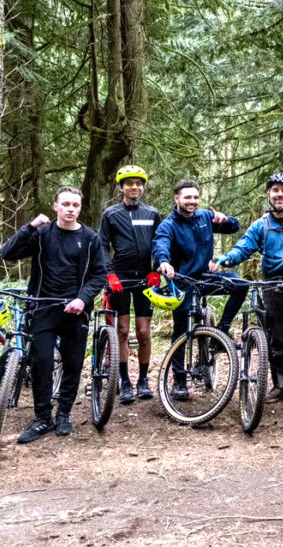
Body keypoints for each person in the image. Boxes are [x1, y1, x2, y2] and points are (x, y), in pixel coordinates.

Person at [0, 187, 108, 443]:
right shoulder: (42, 234)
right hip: (43, 308)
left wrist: (82, 299)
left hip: (75, 311)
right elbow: (7, 253)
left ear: (80, 208)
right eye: (66, 204)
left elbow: (99, 274)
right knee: (42, 363)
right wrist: (29, 226)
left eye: (75, 205)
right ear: (55, 206)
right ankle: (42, 418)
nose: (71, 209)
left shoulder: (90, 238)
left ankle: (64, 414)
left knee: (72, 363)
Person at [217, 173, 283, 414]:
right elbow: (244, 246)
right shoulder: (262, 224)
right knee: (278, 338)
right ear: (269, 194)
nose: (280, 194)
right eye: (275, 190)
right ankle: (282, 385)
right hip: (273, 285)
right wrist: (227, 258)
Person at [152, 179, 247, 400]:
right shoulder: (168, 225)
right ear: (177, 199)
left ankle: (220, 332)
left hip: (206, 278)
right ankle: (179, 381)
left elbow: (234, 226)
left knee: (240, 284)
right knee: (181, 329)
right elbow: (160, 245)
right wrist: (164, 262)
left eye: (195, 197)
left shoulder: (205, 216)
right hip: (183, 281)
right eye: (187, 197)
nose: (192, 201)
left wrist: (226, 220)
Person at [98, 165, 163, 405]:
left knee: (144, 332)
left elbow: (160, 243)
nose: (134, 187)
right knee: (122, 331)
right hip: (120, 279)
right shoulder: (111, 214)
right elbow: (102, 245)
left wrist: (156, 270)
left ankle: (143, 380)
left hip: (146, 278)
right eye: (129, 184)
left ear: (143, 187)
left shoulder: (152, 213)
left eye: (138, 183)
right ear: (121, 187)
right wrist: (109, 274)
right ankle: (124, 381)